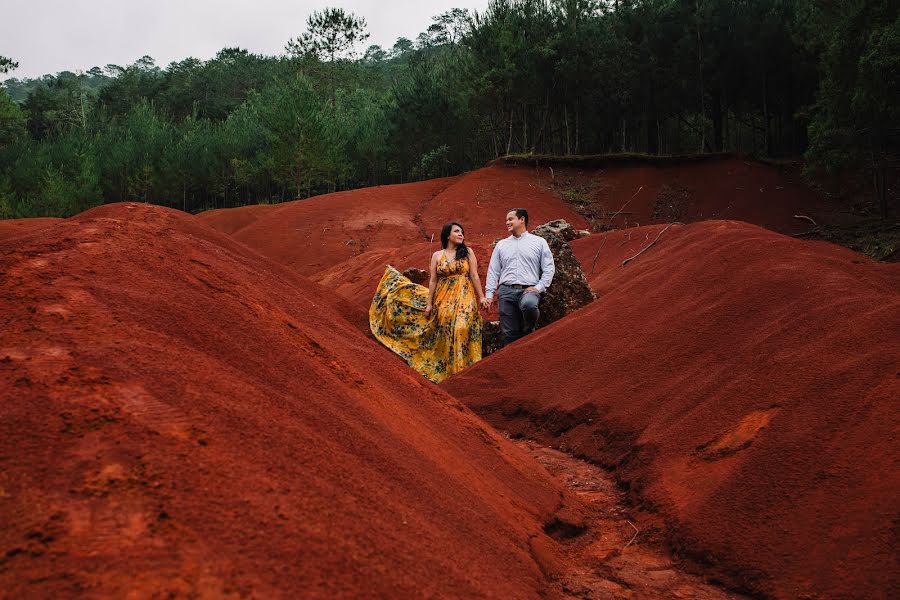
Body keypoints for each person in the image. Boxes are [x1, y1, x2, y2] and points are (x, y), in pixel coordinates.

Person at [370, 222, 486, 383]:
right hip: (443, 297)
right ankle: (449, 370)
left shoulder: (467, 252)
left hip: (464, 294)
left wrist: (481, 297)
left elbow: (474, 275)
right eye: (457, 231)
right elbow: (433, 281)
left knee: (461, 326)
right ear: (447, 235)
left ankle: (463, 370)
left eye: (462, 232)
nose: (461, 234)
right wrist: (430, 304)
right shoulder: (437, 255)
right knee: (445, 327)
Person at [483, 208, 555, 347]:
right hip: (506, 292)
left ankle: (529, 332)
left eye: (510, 219)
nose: (507, 222)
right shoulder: (501, 245)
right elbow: (493, 271)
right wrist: (489, 295)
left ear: (522, 220)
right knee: (509, 333)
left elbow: (549, 267)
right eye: (506, 220)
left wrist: (539, 287)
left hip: (528, 290)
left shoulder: (539, 242)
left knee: (529, 306)